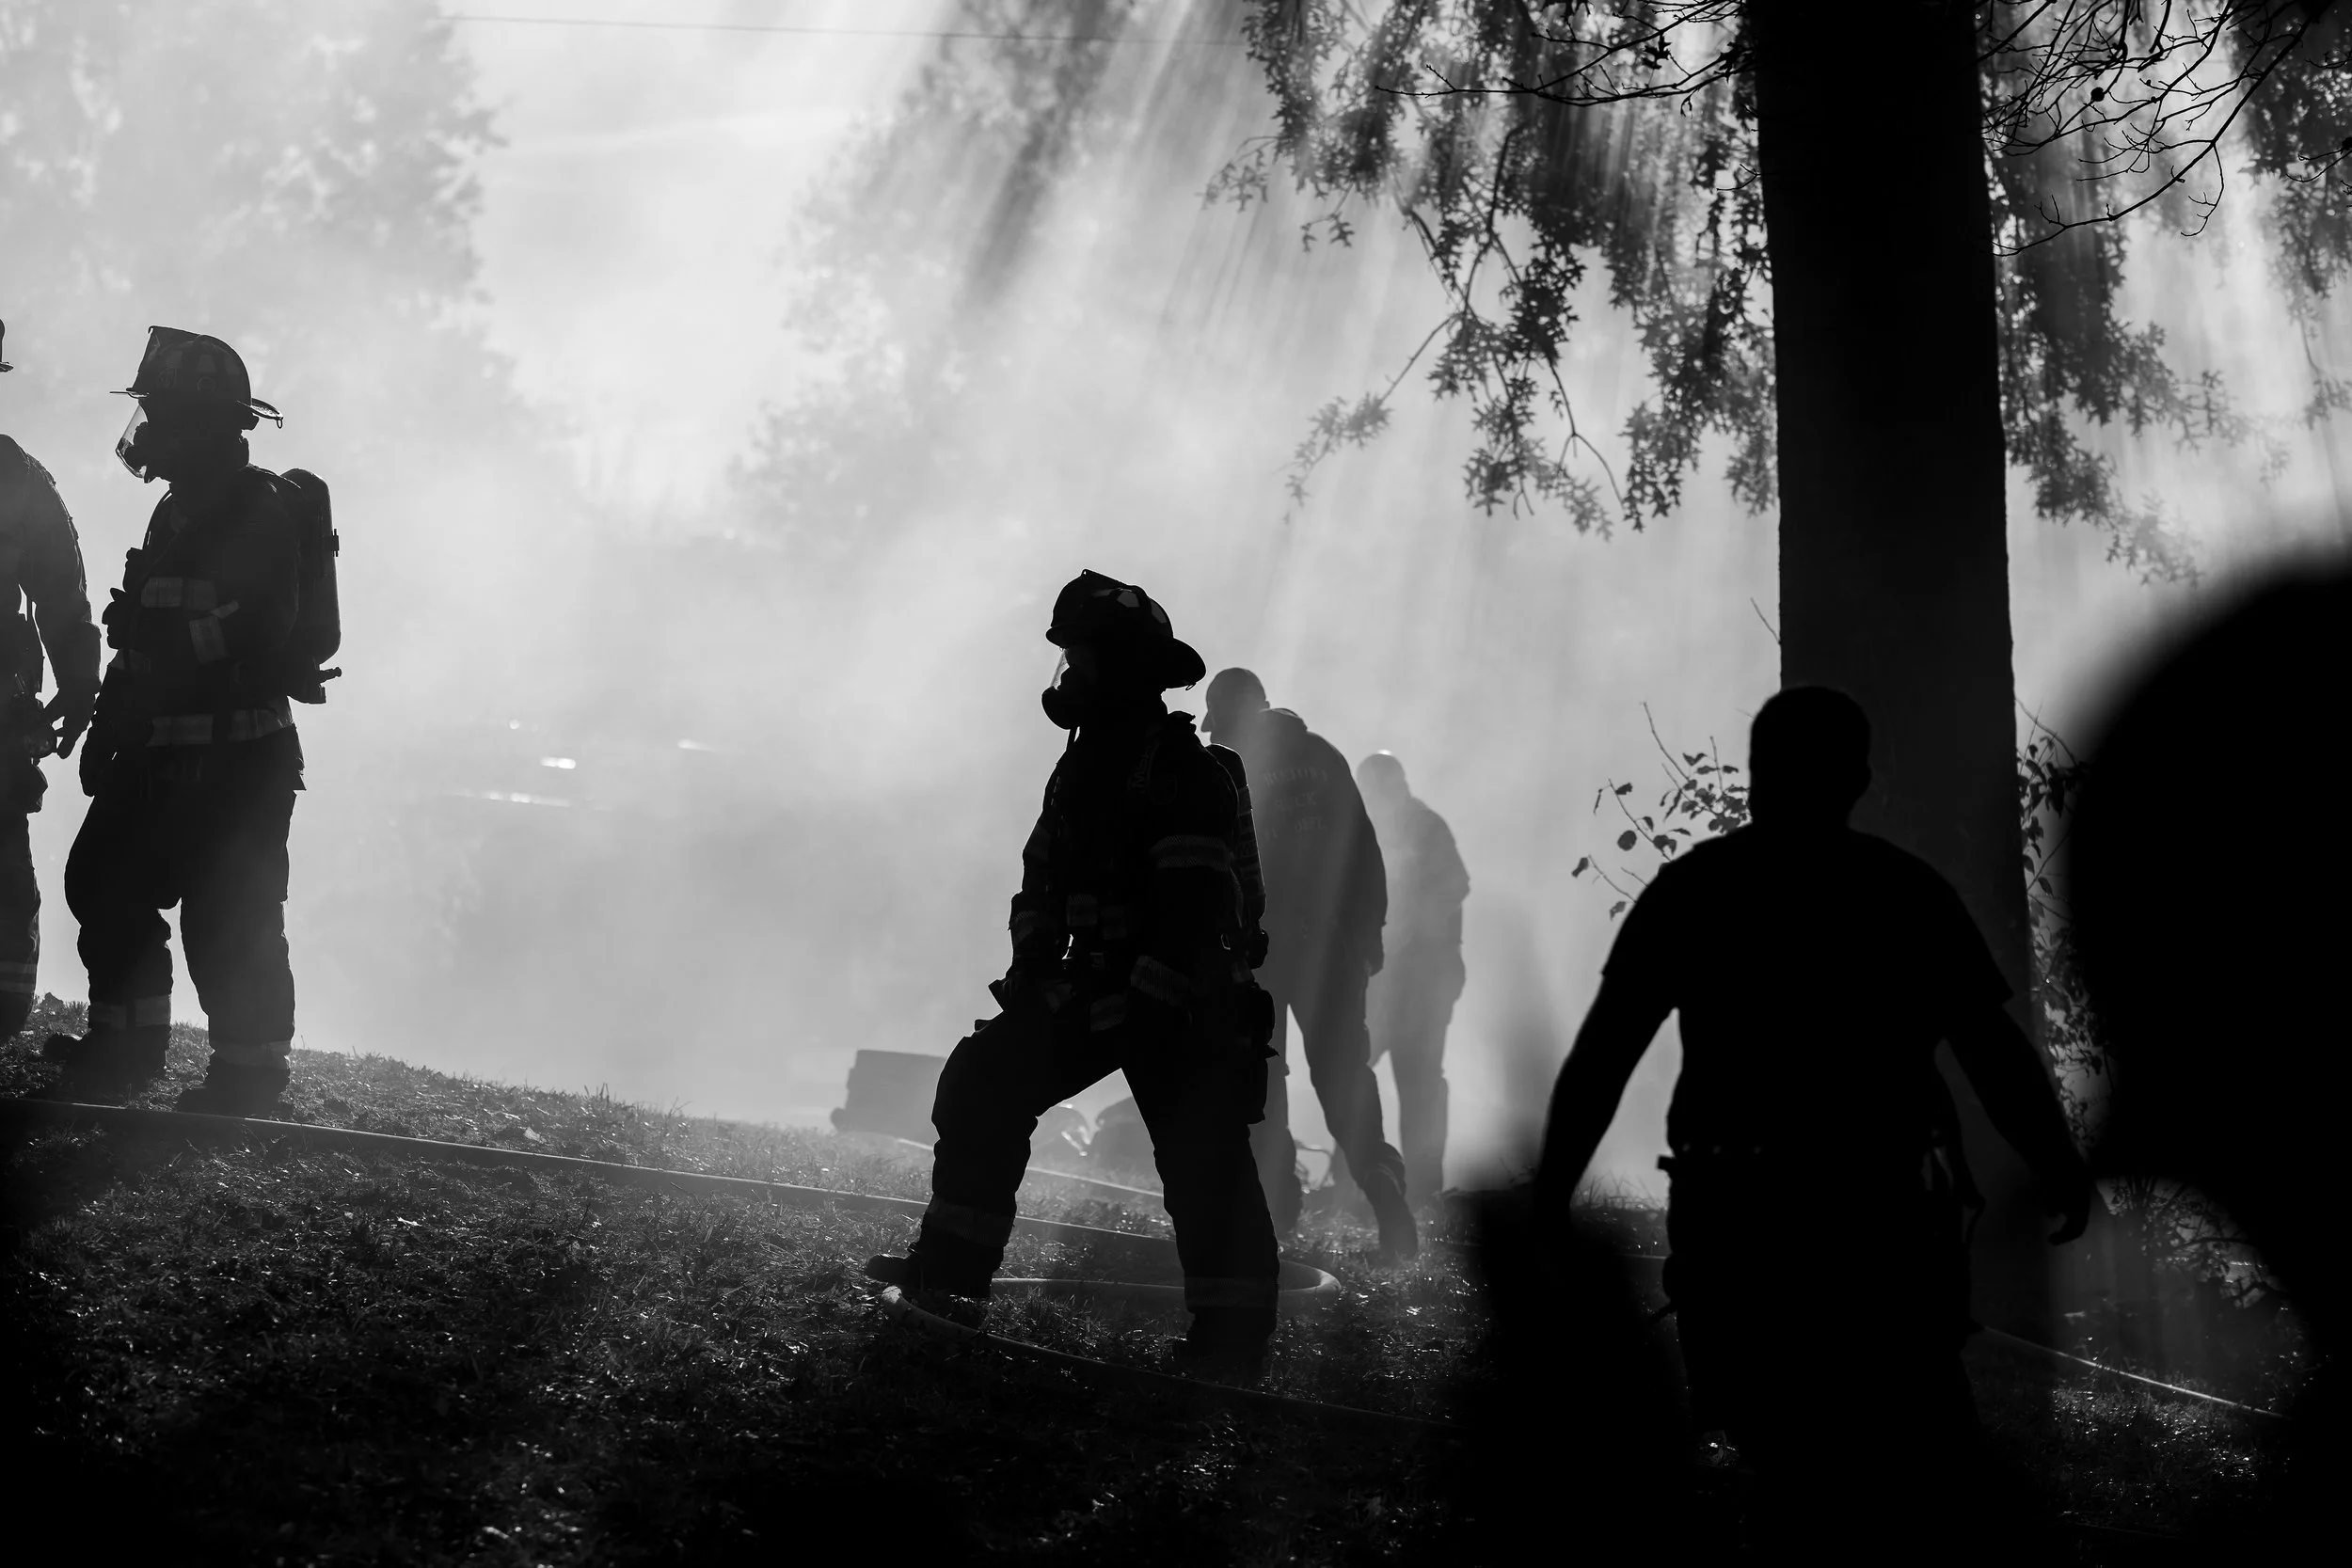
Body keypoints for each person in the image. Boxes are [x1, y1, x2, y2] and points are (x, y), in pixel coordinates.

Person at [1535, 686, 2091, 1545]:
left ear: (1758, 776)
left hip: (1739, 1218)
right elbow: (1992, 1052)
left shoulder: (1696, 891)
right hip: (1875, 1224)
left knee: (1790, 1458)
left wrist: (1549, 1201)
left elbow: (1604, 1057)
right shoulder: (1905, 893)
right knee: (1905, 1456)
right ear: (1858, 780)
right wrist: (2055, 1161)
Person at [870, 571, 1281, 1376]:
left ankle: (1231, 1338)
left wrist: (1145, 1008)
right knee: (983, 1079)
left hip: (1183, 995)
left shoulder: (1183, 775)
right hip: (1101, 987)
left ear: (1124, 671)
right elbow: (1040, 881)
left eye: (1082, 661)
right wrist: (1031, 981)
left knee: (1203, 1153)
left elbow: (1194, 912)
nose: (1068, 679)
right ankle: (951, 1273)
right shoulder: (1081, 767)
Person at [41, 327, 308, 1115]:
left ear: (205, 424)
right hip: (158, 752)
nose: (146, 431)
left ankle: (250, 1076)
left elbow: (267, 625)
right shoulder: (175, 512)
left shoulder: (260, 511)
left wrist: (175, 649)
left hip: (239, 760)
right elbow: (143, 627)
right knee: (103, 879)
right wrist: (111, 722)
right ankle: (125, 1048)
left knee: (230, 914)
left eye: (160, 412)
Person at [1202, 668, 1415, 1259]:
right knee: (1343, 1075)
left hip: (1260, 954)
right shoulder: (1321, 756)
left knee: (1262, 1079)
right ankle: (1381, 1183)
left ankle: (1276, 1209)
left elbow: (1216, 868)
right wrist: (1367, 935)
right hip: (1333, 950)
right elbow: (1363, 849)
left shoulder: (1225, 770)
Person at [0, 320, 103, 1038]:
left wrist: (80, 683)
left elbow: (64, 599)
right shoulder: (18, 478)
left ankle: (1, 1014)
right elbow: (64, 598)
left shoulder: (18, 481)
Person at [1357, 751, 1468, 1210]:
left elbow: (1453, 888)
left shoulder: (1425, 826)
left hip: (1424, 981)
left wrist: (1409, 930)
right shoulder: (1368, 829)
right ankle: (1367, 1181)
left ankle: (1422, 1191)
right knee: (1352, 1072)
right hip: (1383, 980)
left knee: (1419, 1082)